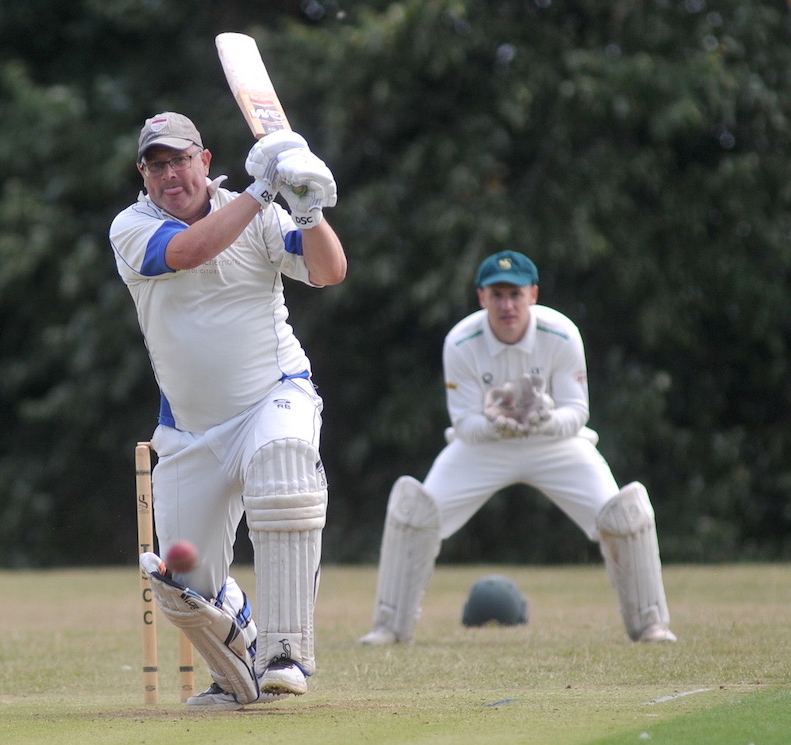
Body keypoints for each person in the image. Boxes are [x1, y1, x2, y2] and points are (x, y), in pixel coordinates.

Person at [109, 112, 346, 710]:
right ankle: (237, 662)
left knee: (285, 462)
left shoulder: (261, 211)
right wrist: (264, 189)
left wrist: (308, 209)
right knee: (180, 583)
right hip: (189, 431)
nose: (170, 173)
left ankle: (285, 652)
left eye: (180, 159)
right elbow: (188, 251)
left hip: (274, 395)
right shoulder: (131, 228)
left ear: (205, 161)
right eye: (156, 163)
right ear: (143, 173)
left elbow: (328, 271)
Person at [358, 250, 676, 646]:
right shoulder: (461, 341)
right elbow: (463, 424)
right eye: (497, 295)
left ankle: (651, 625)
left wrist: (545, 419)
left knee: (624, 514)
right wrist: (495, 421)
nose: (507, 305)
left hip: (554, 443)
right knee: (414, 511)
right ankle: (389, 627)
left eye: (515, 294)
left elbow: (577, 412)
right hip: (485, 448)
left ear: (533, 294)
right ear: (482, 298)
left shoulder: (561, 334)